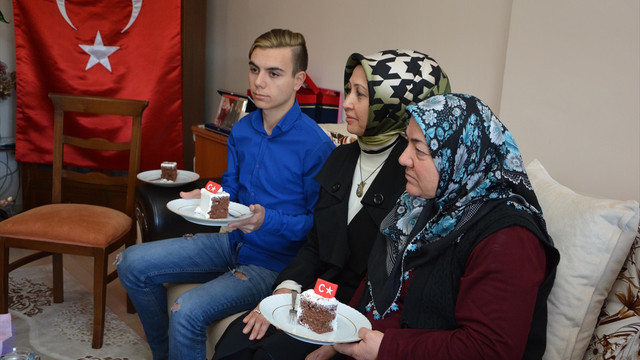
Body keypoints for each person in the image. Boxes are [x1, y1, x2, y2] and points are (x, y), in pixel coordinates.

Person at [212, 49, 451, 360]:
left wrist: (341, 341)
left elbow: (395, 281)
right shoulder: (341, 157)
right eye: (349, 89)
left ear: (394, 105)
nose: (347, 103)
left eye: (360, 94)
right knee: (233, 344)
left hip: (358, 317)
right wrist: (285, 288)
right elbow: (315, 242)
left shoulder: (414, 174)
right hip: (312, 296)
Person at [117, 28, 335, 360]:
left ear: (298, 79)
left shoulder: (316, 145)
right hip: (231, 242)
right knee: (131, 262)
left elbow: (316, 227)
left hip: (274, 265)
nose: (259, 81)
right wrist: (206, 196)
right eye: (254, 69)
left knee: (186, 310)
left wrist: (265, 221)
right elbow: (231, 187)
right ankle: (162, 352)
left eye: (273, 73)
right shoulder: (243, 129)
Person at [309, 93, 561, 360]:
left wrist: (387, 349)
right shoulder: (423, 205)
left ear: (460, 157)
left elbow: (490, 349)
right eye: (408, 144)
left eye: (419, 150)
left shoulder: (509, 239)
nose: (403, 159)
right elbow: (374, 280)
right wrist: (340, 338)